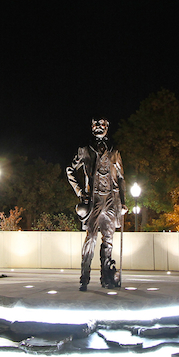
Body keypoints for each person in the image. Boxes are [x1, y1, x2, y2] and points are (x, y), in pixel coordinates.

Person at [66, 117, 127, 291]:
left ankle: (106, 277)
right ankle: (84, 277)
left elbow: (121, 178)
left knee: (108, 241)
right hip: (93, 202)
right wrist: (79, 191)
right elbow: (70, 170)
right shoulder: (85, 150)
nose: (99, 127)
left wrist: (123, 202)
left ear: (107, 127)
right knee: (91, 238)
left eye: (102, 124)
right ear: (91, 127)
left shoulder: (115, 153)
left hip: (110, 201)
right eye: (95, 124)